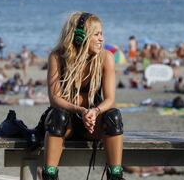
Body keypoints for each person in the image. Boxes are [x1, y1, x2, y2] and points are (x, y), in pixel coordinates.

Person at [43, 12, 124, 180]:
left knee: (114, 116)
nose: (101, 39)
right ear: (80, 37)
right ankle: (49, 175)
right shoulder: (57, 57)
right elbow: (54, 98)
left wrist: (94, 111)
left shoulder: (106, 57)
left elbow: (110, 100)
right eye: (96, 34)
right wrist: (80, 110)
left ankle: (115, 175)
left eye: (102, 33)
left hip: (93, 124)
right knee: (58, 116)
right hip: (67, 124)